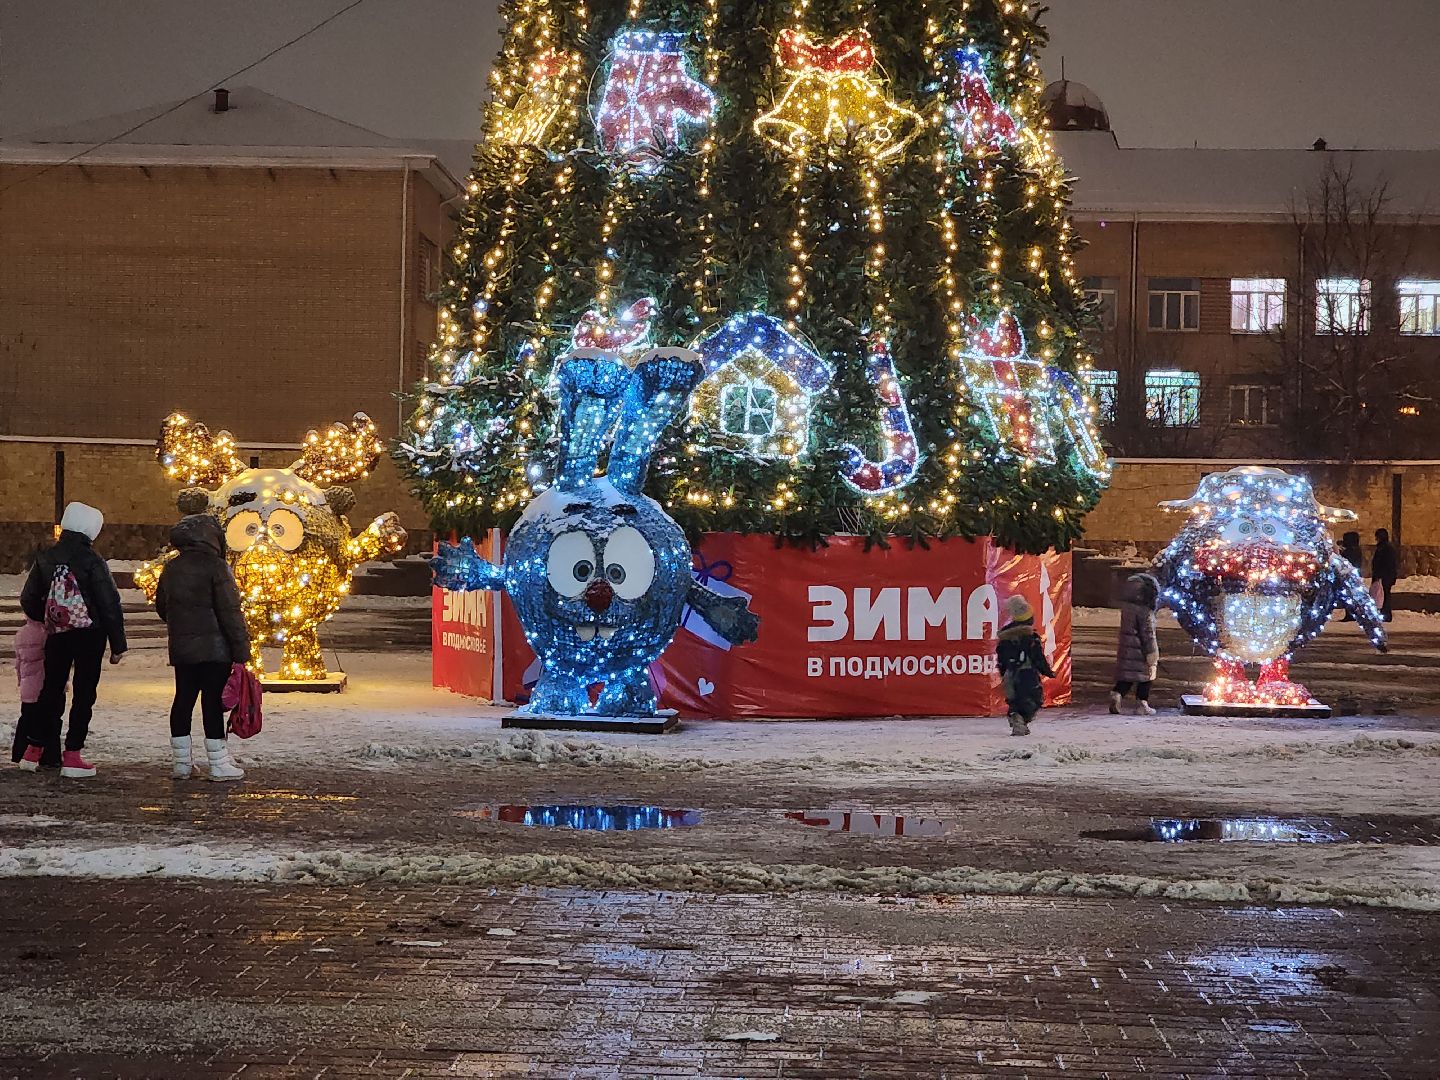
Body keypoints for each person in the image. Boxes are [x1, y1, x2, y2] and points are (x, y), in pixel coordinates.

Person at [18, 502, 127, 778]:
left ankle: (33, 750)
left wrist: (50, 619)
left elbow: (28, 598)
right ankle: (73, 755)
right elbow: (109, 603)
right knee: (84, 693)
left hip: (57, 634)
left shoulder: (46, 557)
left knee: (51, 689)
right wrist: (118, 644)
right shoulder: (93, 560)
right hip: (91, 635)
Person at [155, 514, 252, 781]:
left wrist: (183, 625)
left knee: (183, 700)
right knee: (212, 703)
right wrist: (241, 649)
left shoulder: (171, 568)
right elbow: (230, 611)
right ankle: (219, 763)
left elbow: (162, 607)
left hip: (183, 648)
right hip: (215, 649)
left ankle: (181, 763)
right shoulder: (217, 567)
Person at [996, 595, 1055, 737]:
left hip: (1010, 674)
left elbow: (1001, 659)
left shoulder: (1004, 639)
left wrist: (1004, 673)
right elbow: (1037, 657)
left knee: (1014, 699)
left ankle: (1016, 716)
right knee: (1034, 699)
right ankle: (1020, 719)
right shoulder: (1030, 638)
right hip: (1027, 674)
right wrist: (1047, 671)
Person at [10, 618, 59, 769]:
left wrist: (21, 681)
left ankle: (19, 752)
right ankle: (50, 756)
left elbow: (18, 662)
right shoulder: (48, 633)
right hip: (46, 685)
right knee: (51, 720)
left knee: (26, 719)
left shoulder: (21, 633)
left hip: (28, 686)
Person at [1110, 573, 1160, 716]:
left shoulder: (1128, 608)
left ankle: (1117, 693)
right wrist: (1152, 652)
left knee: (1127, 676)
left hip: (1127, 649)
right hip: (1141, 650)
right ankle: (1142, 703)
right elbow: (1148, 634)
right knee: (1147, 675)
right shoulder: (1145, 612)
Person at [1371, 528, 1399, 623]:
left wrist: (1379, 575)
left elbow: (1387, 564)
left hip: (1385, 576)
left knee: (1385, 595)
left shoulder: (1385, 548)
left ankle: (1386, 614)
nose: (1376, 539)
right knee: (1384, 595)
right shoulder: (1383, 547)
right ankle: (1384, 613)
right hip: (1384, 576)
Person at [1339, 532, 1363, 621]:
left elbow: (1345, 560)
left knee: (1348, 595)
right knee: (1351, 595)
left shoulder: (1350, 551)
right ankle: (1351, 613)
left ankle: (1350, 614)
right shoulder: (1356, 549)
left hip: (1349, 575)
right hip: (1354, 574)